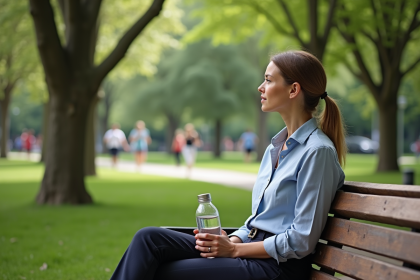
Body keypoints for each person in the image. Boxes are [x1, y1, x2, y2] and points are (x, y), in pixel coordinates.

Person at [109, 50, 346, 280]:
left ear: (293, 89)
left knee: (163, 271)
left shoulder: (317, 152)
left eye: (268, 80)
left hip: (277, 267)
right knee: (148, 239)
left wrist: (234, 251)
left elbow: (302, 239)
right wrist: (232, 240)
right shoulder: (276, 146)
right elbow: (258, 220)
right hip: (250, 249)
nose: (260, 87)